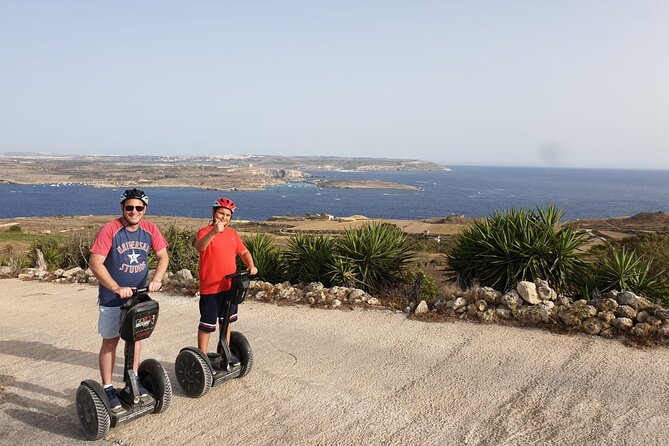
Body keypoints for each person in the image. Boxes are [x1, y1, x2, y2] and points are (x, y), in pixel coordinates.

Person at [88, 188, 169, 412]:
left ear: (145, 209)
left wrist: (157, 279)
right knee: (111, 341)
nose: (134, 211)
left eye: (139, 208)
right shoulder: (110, 229)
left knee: (136, 338)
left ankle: (131, 382)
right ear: (122, 208)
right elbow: (95, 262)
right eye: (129, 207)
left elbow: (163, 256)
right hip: (112, 298)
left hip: (139, 296)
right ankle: (107, 388)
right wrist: (115, 287)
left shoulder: (150, 229)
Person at [195, 197, 257, 354]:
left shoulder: (232, 233)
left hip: (229, 286)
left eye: (227, 215)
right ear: (213, 213)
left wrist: (251, 265)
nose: (224, 217)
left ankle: (224, 352)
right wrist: (214, 232)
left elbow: (243, 251)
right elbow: (200, 247)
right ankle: (202, 357)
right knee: (207, 324)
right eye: (221, 213)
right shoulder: (205, 232)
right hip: (210, 288)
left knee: (227, 322)